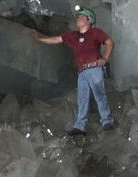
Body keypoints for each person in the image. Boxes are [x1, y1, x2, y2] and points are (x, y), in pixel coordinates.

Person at [31, 8, 115, 136]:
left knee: (99, 95)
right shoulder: (73, 36)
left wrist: (105, 58)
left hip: (94, 69)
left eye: (81, 16)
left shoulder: (95, 32)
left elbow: (109, 42)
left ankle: (107, 121)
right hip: (82, 72)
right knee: (82, 99)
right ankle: (80, 126)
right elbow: (56, 40)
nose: (78, 18)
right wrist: (39, 37)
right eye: (78, 16)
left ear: (89, 20)